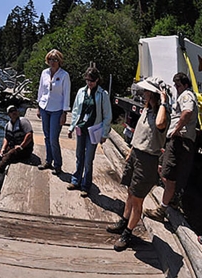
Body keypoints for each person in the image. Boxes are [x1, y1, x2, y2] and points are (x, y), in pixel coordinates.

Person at [106, 77, 169, 251]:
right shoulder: (147, 110)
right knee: (130, 193)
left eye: (147, 92)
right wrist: (131, 151)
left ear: (155, 94)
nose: (144, 94)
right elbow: (141, 133)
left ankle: (128, 233)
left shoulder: (161, 114)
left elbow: (160, 124)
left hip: (148, 160)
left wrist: (163, 102)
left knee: (137, 200)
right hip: (136, 155)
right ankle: (124, 221)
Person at [143, 72, 199, 222]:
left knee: (169, 174)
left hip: (179, 140)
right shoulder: (182, 96)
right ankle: (171, 198)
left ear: (186, 85)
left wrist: (176, 129)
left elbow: (187, 112)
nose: (176, 87)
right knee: (164, 168)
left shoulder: (187, 95)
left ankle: (163, 208)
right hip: (177, 140)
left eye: (178, 85)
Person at [67, 67, 112, 197]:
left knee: (88, 159)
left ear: (97, 80)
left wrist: (104, 134)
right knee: (79, 155)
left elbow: (107, 115)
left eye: (91, 81)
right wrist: (71, 128)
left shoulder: (102, 94)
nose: (89, 83)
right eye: (87, 80)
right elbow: (75, 111)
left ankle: (86, 185)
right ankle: (76, 180)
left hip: (94, 131)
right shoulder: (81, 92)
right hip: (81, 128)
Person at [36, 49, 71, 175]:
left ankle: (58, 164)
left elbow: (66, 94)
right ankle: (48, 161)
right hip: (45, 108)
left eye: (55, 59)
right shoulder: (44, 73)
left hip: (57, 110)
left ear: (59, 61)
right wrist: (38, 106)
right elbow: (41, 90)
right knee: (46, 136)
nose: (52, 62)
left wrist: (64, 112)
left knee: (53, 138)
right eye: (50, 59)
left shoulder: (64, 75)